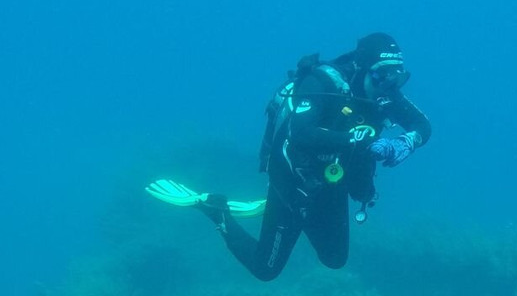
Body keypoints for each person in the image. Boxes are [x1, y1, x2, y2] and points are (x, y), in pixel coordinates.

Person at [146, 33, 432, 281]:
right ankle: (218, 211)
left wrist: (407, 142)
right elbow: (300, 133)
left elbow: (423, 125)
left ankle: (295, 218)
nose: (390, 85)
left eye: (398, 76)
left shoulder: (385, 94)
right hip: (294, 184)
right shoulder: (322, 83)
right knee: (265, 270)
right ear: (362, 68)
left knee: (335, 259)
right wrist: (358, 140)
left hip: (332, 183)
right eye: (382, 75)